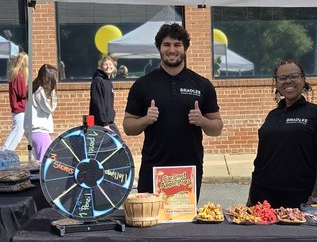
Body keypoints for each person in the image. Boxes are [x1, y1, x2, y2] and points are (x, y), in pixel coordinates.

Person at [123, 23, 222, 194]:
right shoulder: (143, 85)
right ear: (159, 48)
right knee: (151, 219)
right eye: (166, 44)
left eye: (177, 45)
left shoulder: (202, 85)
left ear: (185, 48)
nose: (172, 50)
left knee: (184, 220)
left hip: (188, 170)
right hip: (153, 168)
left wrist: (203, 121)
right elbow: (128, 127)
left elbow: (217, 128)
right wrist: (145, 120)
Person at [248, 60, 317, 208]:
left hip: (300, 198)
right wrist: (251, 197)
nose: (288, 81)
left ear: (303, 79)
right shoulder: (272, 115)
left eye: (294, 76)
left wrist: (315, 196)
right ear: (276, 84)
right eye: (282, 78)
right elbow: (261, 160)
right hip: (263, 196)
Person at [25, 63, 58, 163]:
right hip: (38, 130)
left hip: (35, 130)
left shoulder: (35, 88)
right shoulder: (40, 91)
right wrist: (53, 93)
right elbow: (50, 108)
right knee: (45, 160)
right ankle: (42, 178)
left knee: (47, 157)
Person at [1, 52, 29, 154]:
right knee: (17, 133)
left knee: (28, 133)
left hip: (21, 110)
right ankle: (5, 152)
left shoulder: (16, 75)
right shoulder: (19, 76)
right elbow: (22, 93)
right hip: (21, 110)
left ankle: (37, 153)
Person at [89, 54, 119, 132]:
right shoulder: (98, 81)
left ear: (114, 67)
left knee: (119, 143)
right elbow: (97, 103)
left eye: (110, 64)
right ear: (101, 66)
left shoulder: (108, 82)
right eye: (105, 64)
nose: (108, 66)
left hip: (109, 123)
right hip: (100, 124)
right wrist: (104, 124)